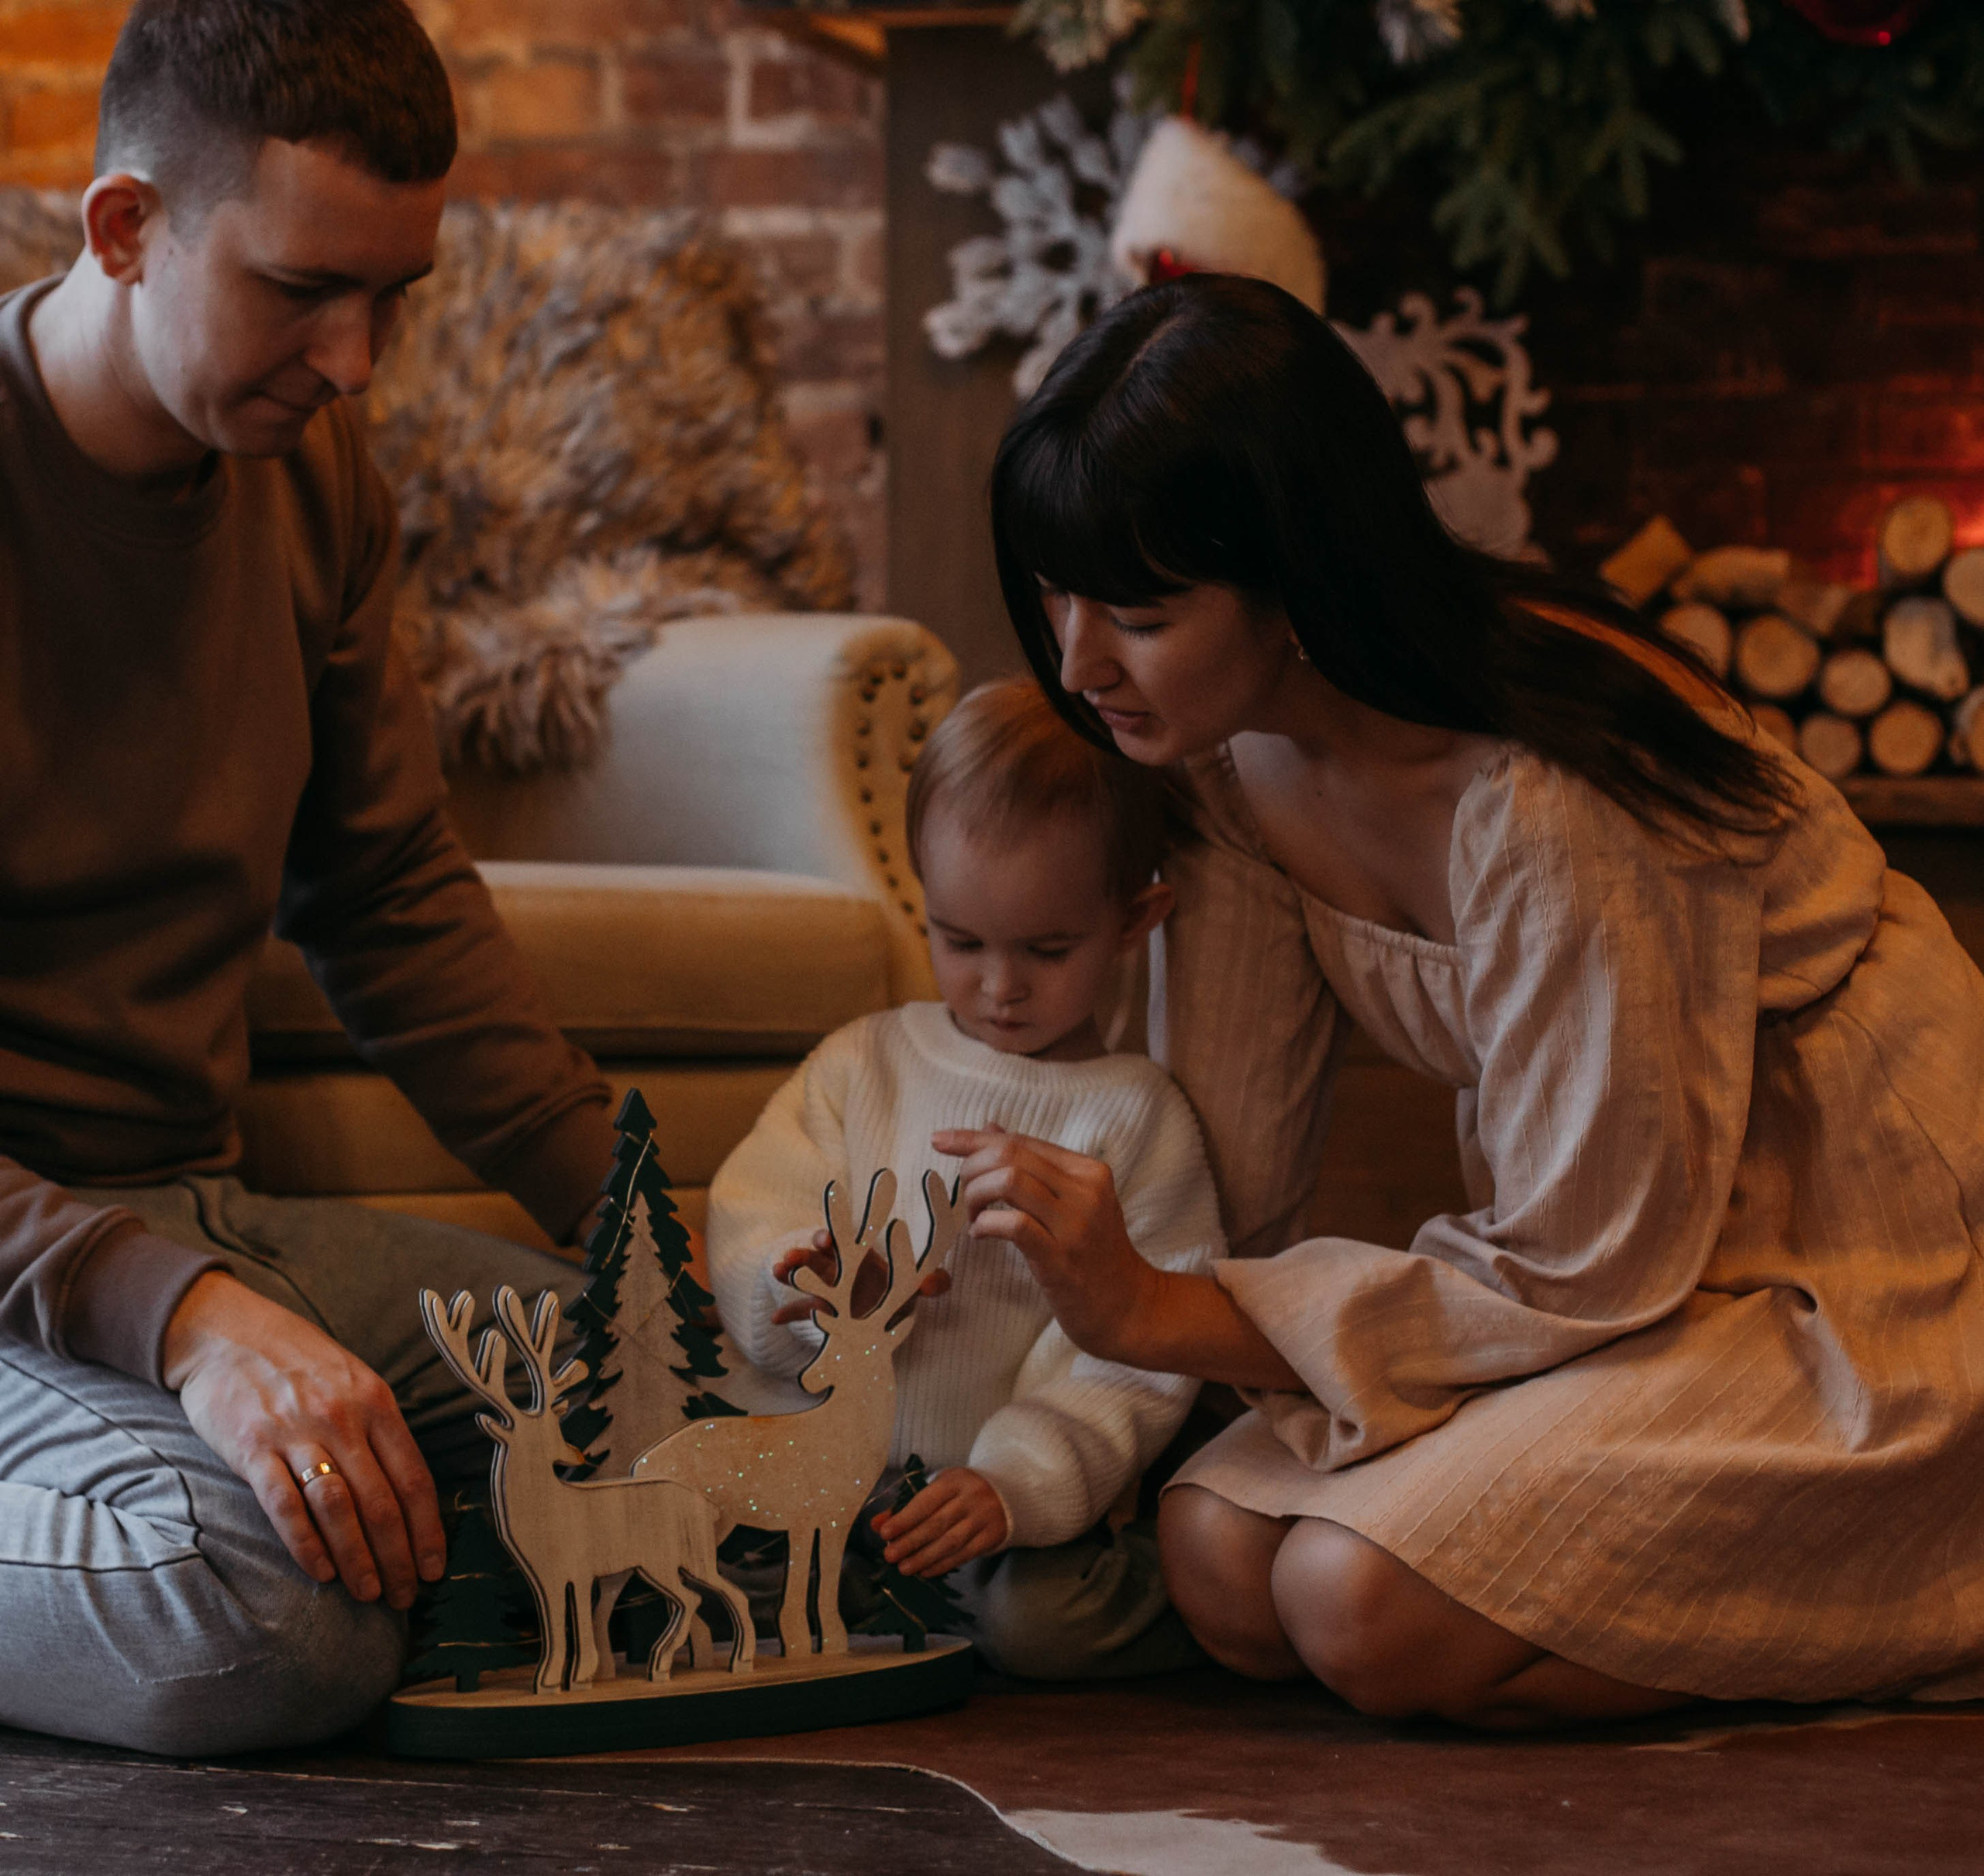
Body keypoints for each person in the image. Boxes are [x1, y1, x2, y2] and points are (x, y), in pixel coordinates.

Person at [941, 272, 1984, 1730]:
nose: (1076, 661)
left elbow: (1588, 1262)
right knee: (1220, 1556)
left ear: (1296, 573)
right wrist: (1009, 1326)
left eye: (1136, 609)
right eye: (1057, 595)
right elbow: (1221, 1177)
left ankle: (1923, 1605)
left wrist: (1172, 1312)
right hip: (1607, 1266)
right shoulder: (1224, 752)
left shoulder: (1547, 791)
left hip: (1854, 1260)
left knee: (1352, 1604)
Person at [0, 0, 618, 1754]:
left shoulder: (315, 468)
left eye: (393, 299)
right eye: (299, 290)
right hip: (44, 1259)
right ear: (127, 227)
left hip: (196, 1211)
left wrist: (640, 1215)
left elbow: (392, 887)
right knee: (264, 1614)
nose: (357, 362)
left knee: (682, 1404)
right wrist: (190, 1327)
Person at [706, 677, 1221, 1677]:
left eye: (1047, 949)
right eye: (961, 941)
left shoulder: (1137, 1119)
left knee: (1049, 1628)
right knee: (722, 1581)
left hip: (988, 1511)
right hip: (819, 1482)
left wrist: (1015, 1486)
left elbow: (1133, 1353)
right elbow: (750, 1207)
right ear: (925, 903)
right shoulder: (865, 1063)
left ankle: (1181, 1579)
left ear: (1135, 918)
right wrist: (796, 1281)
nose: (998, 985)